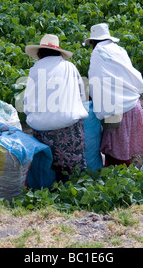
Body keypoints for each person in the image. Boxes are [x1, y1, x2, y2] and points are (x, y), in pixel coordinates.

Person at [84, 23, 143, 167]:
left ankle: (121, 183)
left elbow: (96, 83)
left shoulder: (97, 54)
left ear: (93, 42)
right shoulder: (118, 50)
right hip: (133, 104)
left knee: (116, 155)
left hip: (116, 112)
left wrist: (92, 103)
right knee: (123, 149)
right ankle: (124, 179)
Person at [23, 34, 88, 183]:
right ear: (59, 52)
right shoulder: (69, 67)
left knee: (47, 165)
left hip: (43, 130)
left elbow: (28, 101)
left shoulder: (35, 70)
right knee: (71, 171)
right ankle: (71, 190)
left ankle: (47, 191)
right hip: (68, 127)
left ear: (40, 53)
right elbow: (81, 94)